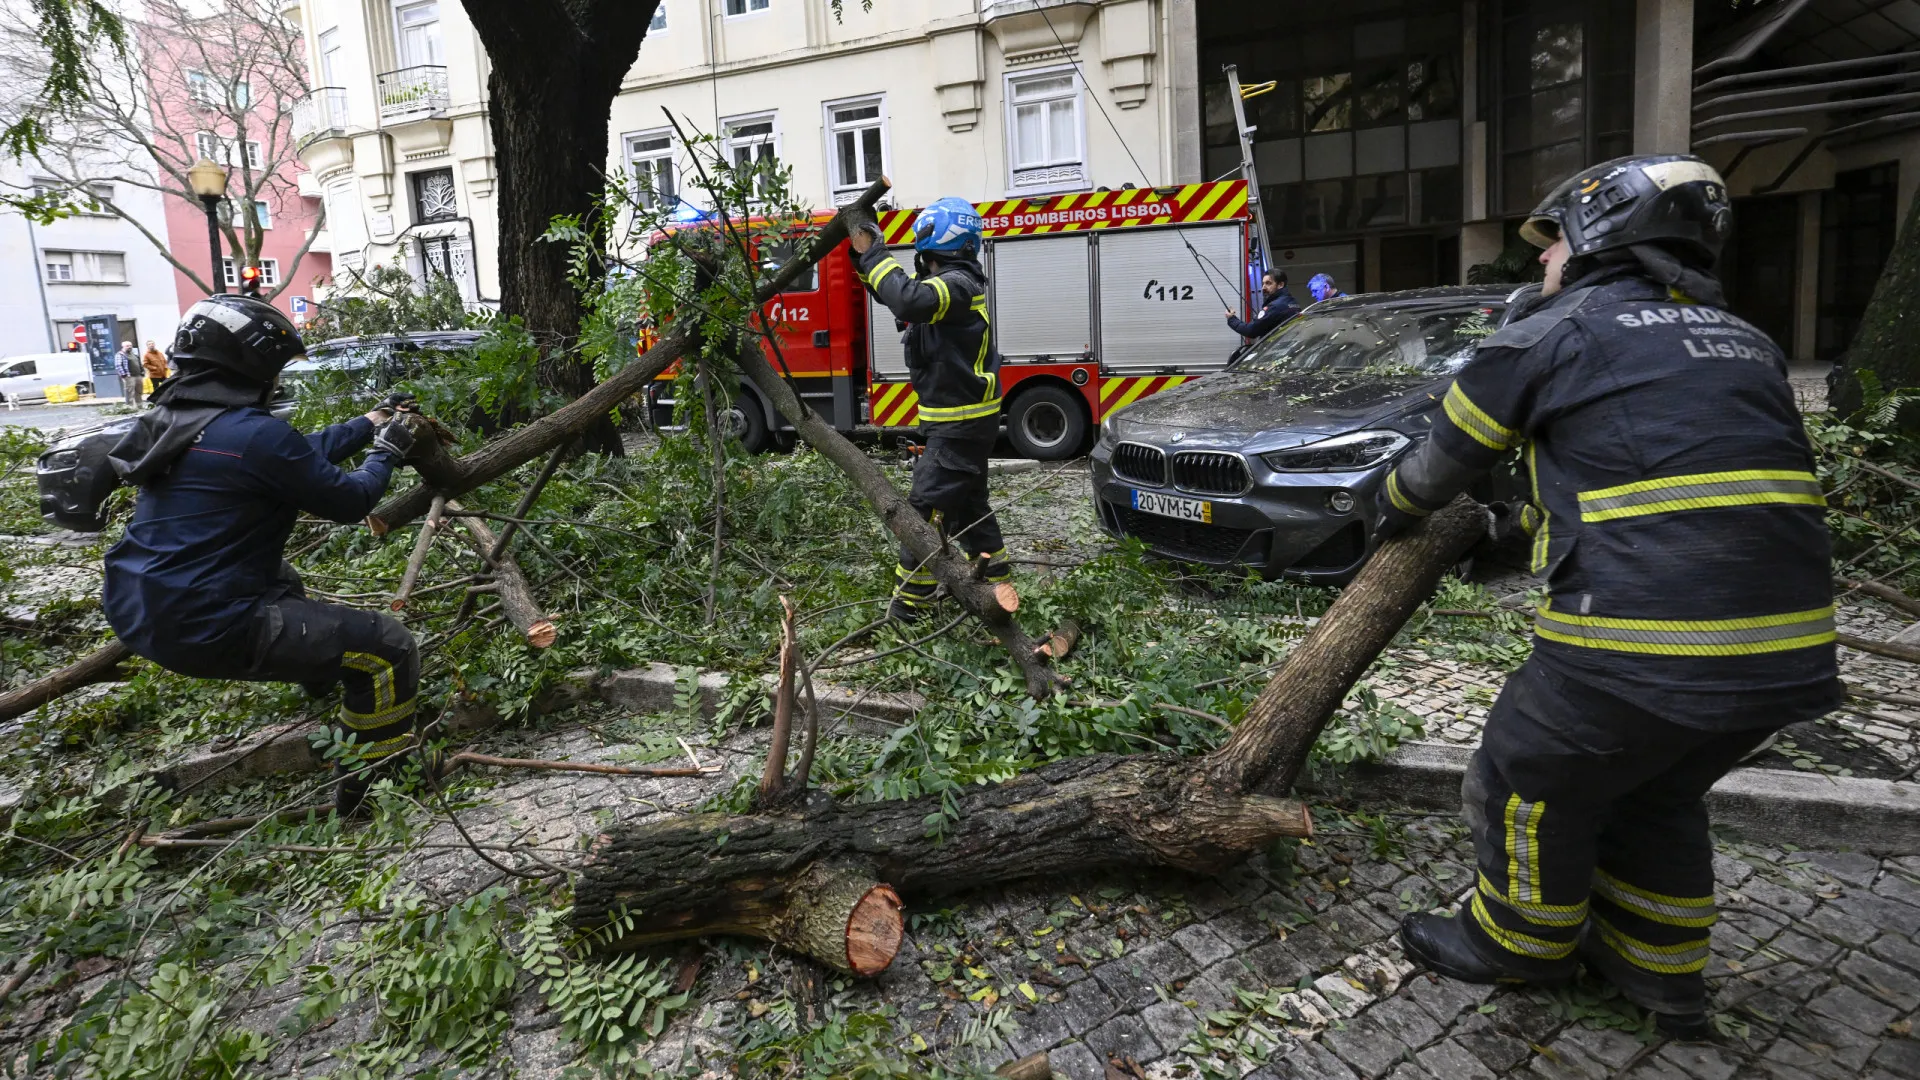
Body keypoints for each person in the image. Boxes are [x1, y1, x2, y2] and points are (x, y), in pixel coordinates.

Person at [1371, 154, 1837, 1038]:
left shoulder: (1556, 330)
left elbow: (1437, 466)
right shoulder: (1745, 338)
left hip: (1644, 636)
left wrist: (1388, 510)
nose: (1541, 264)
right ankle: (1660, 975)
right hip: (1792, 651)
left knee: (1521, 773)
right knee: (1652, 792)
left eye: (1550, 249)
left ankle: (1517, 943)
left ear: (1597, 233)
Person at [102, 294, 427, 814]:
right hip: (207, 625)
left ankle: (328, 687)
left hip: (138, 606)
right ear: (254, 366)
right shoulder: (251, 436)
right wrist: (386, 452)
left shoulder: (180, 420)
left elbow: (295, 457)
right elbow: (350, 500)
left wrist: (371, 421)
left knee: (284, 581)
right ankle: (374, 791)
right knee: (389, 649)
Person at [847, 197, 1010, 622]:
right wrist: (864, 256)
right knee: (971, 507)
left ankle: (906, 611)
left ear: (935, 241)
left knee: (922, 514)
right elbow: (897, 297)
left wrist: (877, 254)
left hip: (960, 427)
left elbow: (908, 300)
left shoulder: (957, 285)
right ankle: (996, 582)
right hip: (964, 424)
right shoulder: (950, 287)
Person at [1225, 270, 1298, 340]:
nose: (1263, 287)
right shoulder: (1293, 302)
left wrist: (1231, 319)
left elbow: (1250, 331)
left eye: (1268, 283)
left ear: (1280, 285)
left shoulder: (1275, 306)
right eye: (1263, 284)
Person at [116, 342, 143, 407]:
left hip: (138, 375)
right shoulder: (120, 354)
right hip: (129, 376)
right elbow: (118, 365)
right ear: (123, 346)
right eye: (127, 346)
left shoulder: (134, 354)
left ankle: (139, 405)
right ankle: (130, 406)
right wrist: (124, 375)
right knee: (130, 392)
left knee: (139, 391)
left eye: (130, 345)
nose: (129, 347)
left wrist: (142, 371)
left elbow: (139, 363)